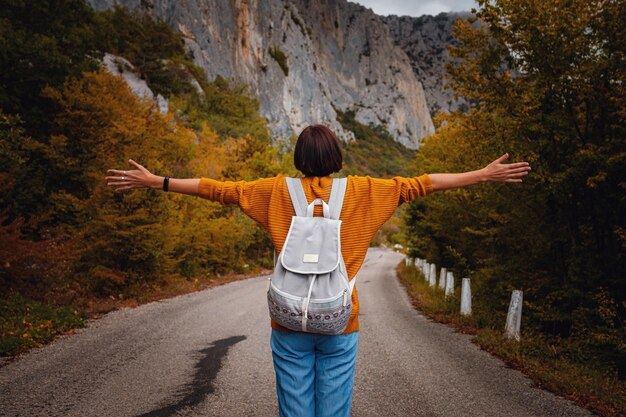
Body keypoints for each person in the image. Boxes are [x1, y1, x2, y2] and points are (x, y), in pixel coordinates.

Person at [105, 124, 531, 417]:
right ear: (337, 157)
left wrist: (157, 181)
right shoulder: (367, 191)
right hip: (340, 321)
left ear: (298, 158)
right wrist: (483, 174)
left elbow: (217, 190)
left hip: (287, 319)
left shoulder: (273, 191)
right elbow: (424, 183)